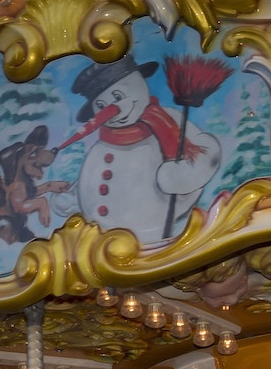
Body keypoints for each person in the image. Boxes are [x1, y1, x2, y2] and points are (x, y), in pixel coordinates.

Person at [62, 55, 220, 241]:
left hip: (151, 239)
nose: (113, 111)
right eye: (101, 105)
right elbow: (92, 177)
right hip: (101, 246)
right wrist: (71, 198)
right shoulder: (103, 142)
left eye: (118, 97)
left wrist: (183, 176)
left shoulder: (167, 121)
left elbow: (207, 153)